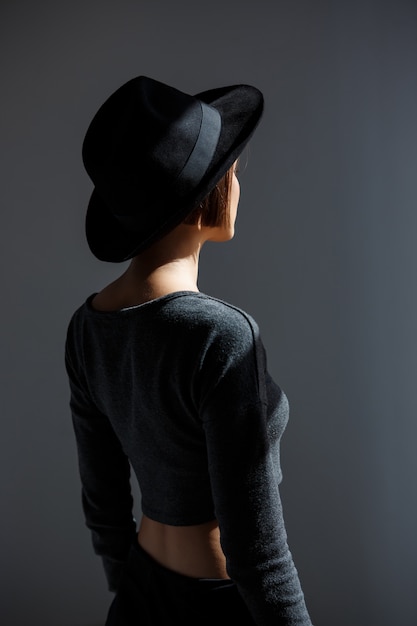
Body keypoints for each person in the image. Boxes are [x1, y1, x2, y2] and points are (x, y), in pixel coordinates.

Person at [65, 75, 314, 626]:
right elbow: (259, 554)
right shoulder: (222, 337)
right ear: (205, 196)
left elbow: (103, 507)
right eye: (231, 171)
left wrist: (128, 593)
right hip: (220, 606)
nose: (238, 184)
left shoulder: (88, 327)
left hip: (139, 595)